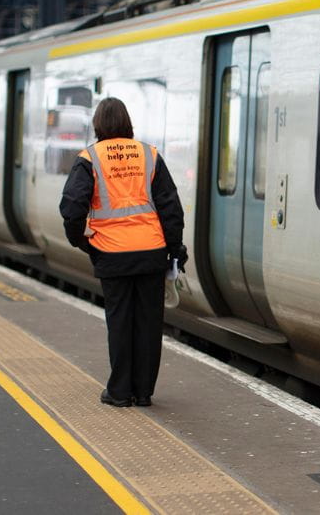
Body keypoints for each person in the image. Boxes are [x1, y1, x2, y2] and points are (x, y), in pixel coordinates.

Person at [59, 98, 187, 408]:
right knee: (148, 323)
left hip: (112, 254)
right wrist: (175, 249)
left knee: (120, 323)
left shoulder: (89, 158)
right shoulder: (149, 155)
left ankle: (119, 392)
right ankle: (143, 392)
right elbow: (170, 207)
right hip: (151, 253)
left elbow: (72, 208)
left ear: (98, 125)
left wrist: (81, 241)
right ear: (128, 122)